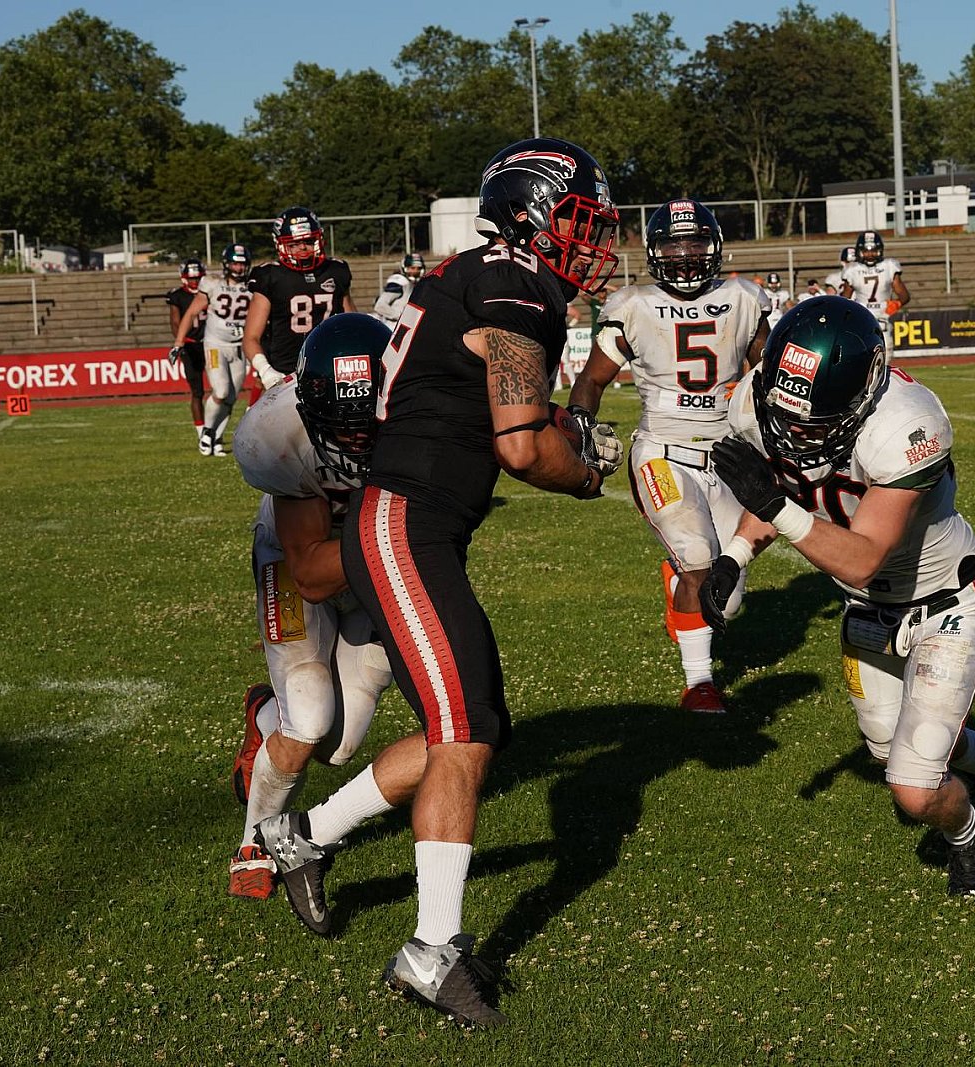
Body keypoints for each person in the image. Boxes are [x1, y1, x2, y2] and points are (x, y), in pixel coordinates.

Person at [254, 138, 624, 1029]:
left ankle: (302, 837)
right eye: (580, 219)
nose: (593, 241)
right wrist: (586, 472)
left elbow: (489, 402)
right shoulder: (516, 287)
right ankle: (432, 951)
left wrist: (565, 429)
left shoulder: (479, 275)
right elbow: (520, 446)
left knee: (474, 723)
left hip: (414, 525)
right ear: (533, 213)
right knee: (463, 731)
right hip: (405, 524)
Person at [698, 296, 975, 899]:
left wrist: (772, 503)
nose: (793, 433)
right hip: (865, 607)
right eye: (785, 415)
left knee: (914, 787)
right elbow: (781, 493)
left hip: (944, 603)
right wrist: (736, 555)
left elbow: (863, 555)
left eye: (812, 421)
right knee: (885, 747)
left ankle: (966, 836)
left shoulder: (906, 427)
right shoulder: (761, 401)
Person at [570, 198, 769, 715]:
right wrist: (582, 424)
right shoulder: (632, 305)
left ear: (715, 247)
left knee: (727, 596)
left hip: (728, 453)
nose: (685, 254)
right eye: (674, 245)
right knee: (700, 562)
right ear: (655, 252)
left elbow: (768, 375)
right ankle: (699, 684)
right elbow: (591, 380)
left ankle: (679, 584)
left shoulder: (744, 298)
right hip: (662, 452)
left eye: (696, 242)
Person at [227, 314, 397, 909]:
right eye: (339, 421)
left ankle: (262, 716)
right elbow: (311, 575)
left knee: (337, 747)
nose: (355, 437)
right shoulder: (275, 435)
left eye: (366, 418)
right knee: (308, 716)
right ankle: (253, 843)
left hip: (374, 556)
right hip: (298, 560)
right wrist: (400, 544)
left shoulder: (420, 408)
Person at [241, 206, 358, 392]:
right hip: (285, 370)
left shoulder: (335, 270)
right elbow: (250, 338)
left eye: (308, 241)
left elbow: (352, 323)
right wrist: (266, 371)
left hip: (331, 366)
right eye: (294, 244)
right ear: (280, 245)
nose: (303, 247)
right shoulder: (270, 275)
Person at [173, 243, 253, 457]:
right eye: (235, 263)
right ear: (226, 264)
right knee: (221, 391)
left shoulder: (253, 285)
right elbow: (190, 313)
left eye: (242, 264)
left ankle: (216, 438)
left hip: (240, 346)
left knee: (231, 398)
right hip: (216, 344)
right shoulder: (212, 284)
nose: (239, 268)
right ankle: (207, 432)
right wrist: (179, 342)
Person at [840, 230, 909, 350]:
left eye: (873, 250)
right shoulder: (853, 269)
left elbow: (904, 296)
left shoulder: (888, 266)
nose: (870, 254)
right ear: (860, 252)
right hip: (863, 317)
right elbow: (845, 300)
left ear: (880, 250)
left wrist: (894, 305)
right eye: (866, 251)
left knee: (878, 354)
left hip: (877, 318)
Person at [166, 260, 208, 447]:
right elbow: (175, 323)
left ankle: (213, 430)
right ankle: (201, 432)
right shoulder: (177, 296)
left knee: (221, 390)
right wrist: (180, 343)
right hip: (191, 345)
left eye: (197, 278)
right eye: (191, 278)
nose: (195, 282)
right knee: (197, 391)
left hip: (211, 344)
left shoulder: (209, 292)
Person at [374, 253, 426, 326]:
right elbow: (380, 306)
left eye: (418, 268)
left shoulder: (419, 285)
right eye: (412, 268)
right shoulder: (400, 282)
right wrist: (400, 316)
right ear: (405, 268)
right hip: (393, 327)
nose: (415, 271)